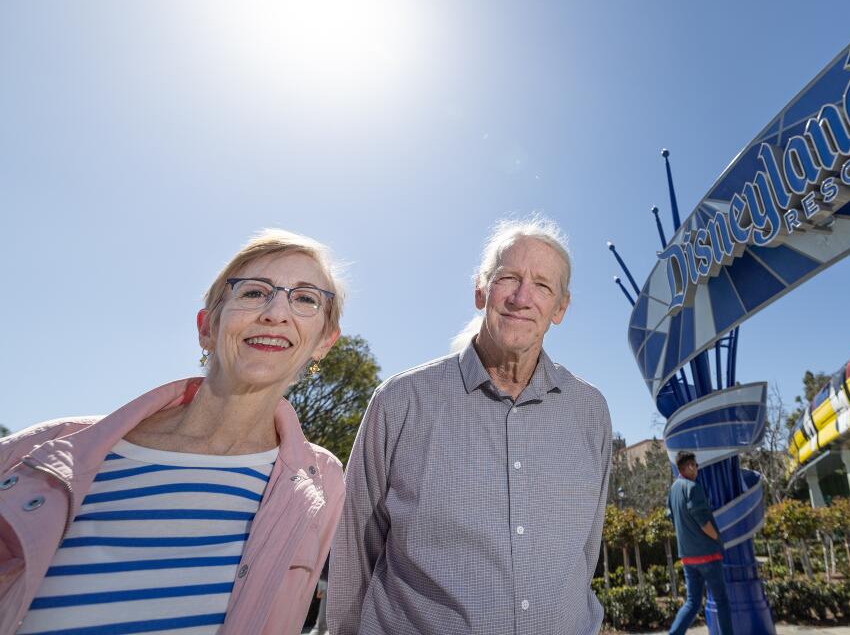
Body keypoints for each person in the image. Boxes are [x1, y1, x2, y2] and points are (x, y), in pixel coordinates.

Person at [0, 229, 347, 635]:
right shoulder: (42, 452)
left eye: (305, 298)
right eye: (253, 292)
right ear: (207, 327)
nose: (276, 313)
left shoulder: (324, 481)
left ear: (324, 342)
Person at [329, 216, 611, 635]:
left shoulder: (590, 411)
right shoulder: (400, 401)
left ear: (560, 308)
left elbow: (586, 551)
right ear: (481, 289)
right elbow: (353, 548)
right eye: (508, 278)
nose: (522, 297)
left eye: (543, 286)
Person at [666, 451, 733, 635]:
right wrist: (718, 540)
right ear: (687, 467)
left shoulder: (673, 490)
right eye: (695, 465)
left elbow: (671, 516)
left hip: (687, 556)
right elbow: (703, 522)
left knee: (692, 602)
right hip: (708, 554)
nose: (697, 469)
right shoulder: (693, 488)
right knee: (722, 601)